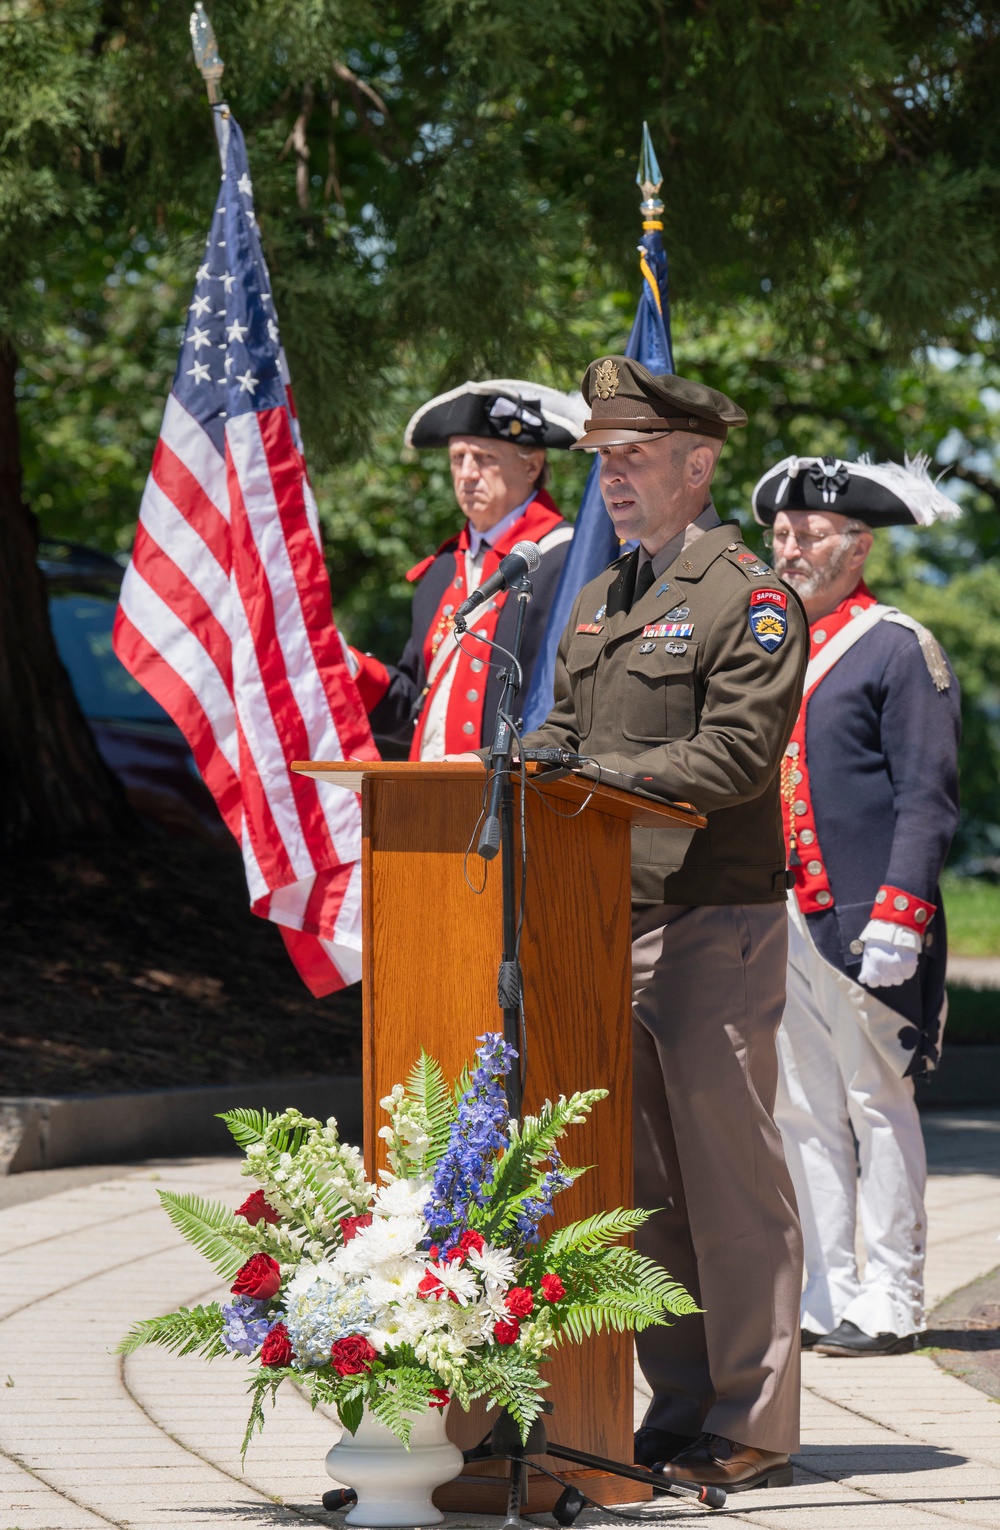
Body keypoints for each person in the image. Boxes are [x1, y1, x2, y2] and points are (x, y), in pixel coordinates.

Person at [456, 356, 810, 1491]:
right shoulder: (607, 597)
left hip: (712, 920)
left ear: (698, 464)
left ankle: (753, 1420)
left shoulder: (745, 596)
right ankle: (682, 1403)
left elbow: (734, 756)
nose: (611, 477)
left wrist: (590, 767)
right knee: (646, 1185)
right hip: (604, 916)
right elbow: (561, 726)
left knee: (730, 1183)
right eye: (602, 459)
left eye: (636, 457)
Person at [751, 452, 961, 1358]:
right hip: (781, 913)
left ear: (858, 545)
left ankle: (894, 1299)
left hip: (869, 923)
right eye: (782, 534)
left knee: (879, 1103)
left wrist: (901, 913)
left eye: (810, 535)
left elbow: (928, 795)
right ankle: (828, 1292)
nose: (791, 549)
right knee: (801, 1108)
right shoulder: (770, 647)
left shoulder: (896, 645)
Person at [348, 381, 585, 758]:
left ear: (532, 465)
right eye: (458, 458)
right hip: (433, 794)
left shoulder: (570, 560)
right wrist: (350, 667)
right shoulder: (442, 570)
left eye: (485, 457)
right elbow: (415, 710)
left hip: (520, 795)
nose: (467, 473)